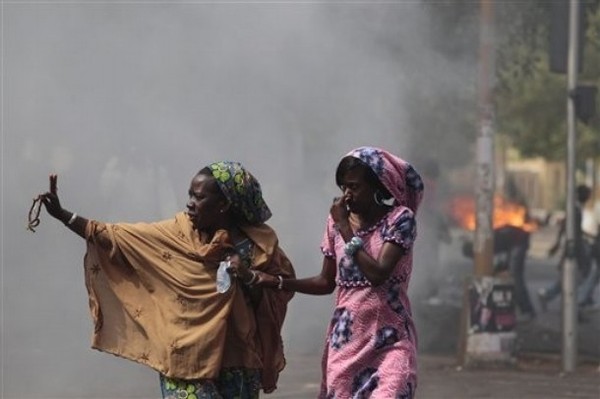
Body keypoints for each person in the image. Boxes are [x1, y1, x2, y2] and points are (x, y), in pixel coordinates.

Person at [38, 161, 295, 399]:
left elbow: (275, 297)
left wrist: (249, 277)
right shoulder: (176, 234)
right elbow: (113, 236)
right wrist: (64, 215)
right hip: (185, 359)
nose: (190, 204)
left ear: (224, 204)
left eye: (200, 197)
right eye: (190, 195)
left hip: (238, 361)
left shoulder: (260, 247)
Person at [264, 147, 424, 398]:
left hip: (391, 340)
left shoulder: (400, 220)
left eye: (354, 187)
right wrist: (279, 282)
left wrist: (345, 230)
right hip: (347, 343)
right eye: (343, 188)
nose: (347, 196)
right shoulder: (335, 224)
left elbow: (378, 274)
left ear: (378, 187)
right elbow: (325, 282)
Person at [538, 184, 593, 312]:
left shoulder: (577, 209)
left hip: (576, 247)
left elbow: (575, 229)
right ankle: (571, 309)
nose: (589, 197)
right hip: (575, 249)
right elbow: (567, 228)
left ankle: (547, 296)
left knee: (567, 280)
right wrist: (557, 245)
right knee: (573, 279)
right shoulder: (575, 209)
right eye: (587, 195)